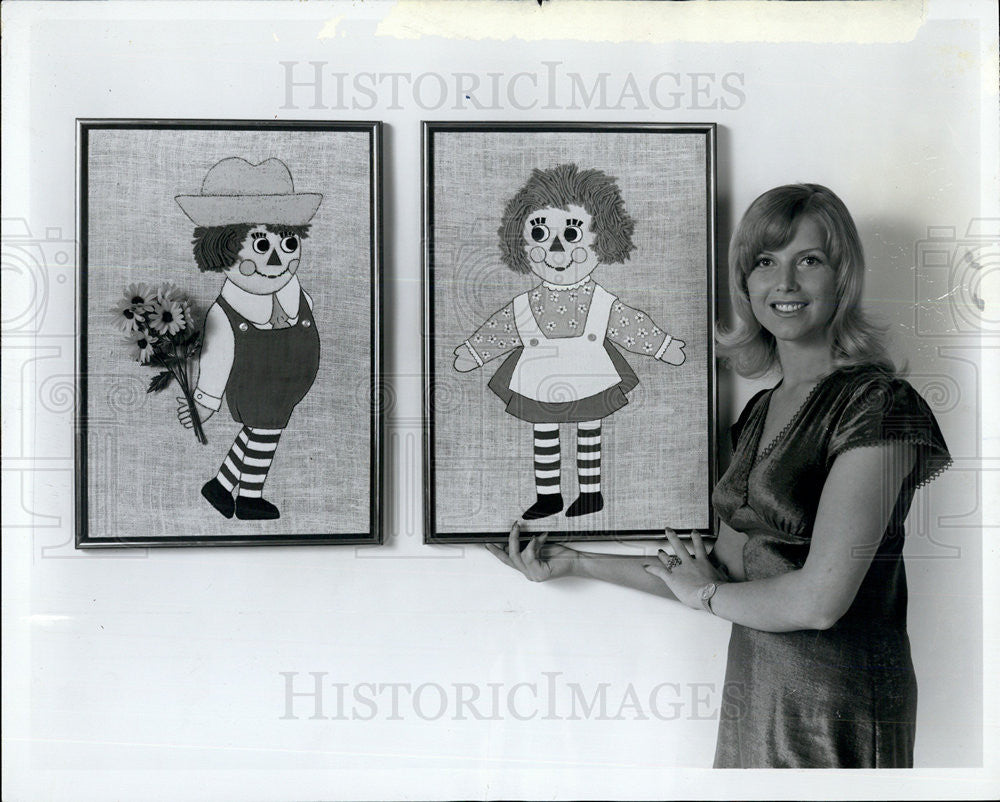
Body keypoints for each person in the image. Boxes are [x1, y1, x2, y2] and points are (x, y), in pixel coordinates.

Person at [487, 183, 951, 768]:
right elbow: (719, 573)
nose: (784, 283)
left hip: (840, 704)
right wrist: (575, 562)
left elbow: (818, 603)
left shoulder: (878, 404)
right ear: (745, 284)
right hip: (756, 693)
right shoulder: (759, 410)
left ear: (843, 277)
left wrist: (706, 595)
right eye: (765, 262)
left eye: (808, 260)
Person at [454, 163, 686, 520]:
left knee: (588, 431)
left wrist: (661, 345)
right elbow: (500, 329)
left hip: (590, 370)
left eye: (573, 235)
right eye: (540, 234)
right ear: (521, 241)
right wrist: (474, 352)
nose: (556, 250)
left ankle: (590, 493)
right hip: (538, 373)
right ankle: (549, 496)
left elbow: (629, 324)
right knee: (544, 432)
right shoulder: (523, 305)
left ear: (603, 241)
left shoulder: (602, 302)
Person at [175, 157, 323, 520]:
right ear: (222, 250)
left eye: (289, 244)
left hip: (283, 390)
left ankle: (221, 487)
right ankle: (250, 497)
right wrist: (204, 404)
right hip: (255, 388)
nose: (277, 260)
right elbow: (216, 360)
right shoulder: (225, 315)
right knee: (264, 438)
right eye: (260, 246)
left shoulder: (295, 294)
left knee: (257, 435)